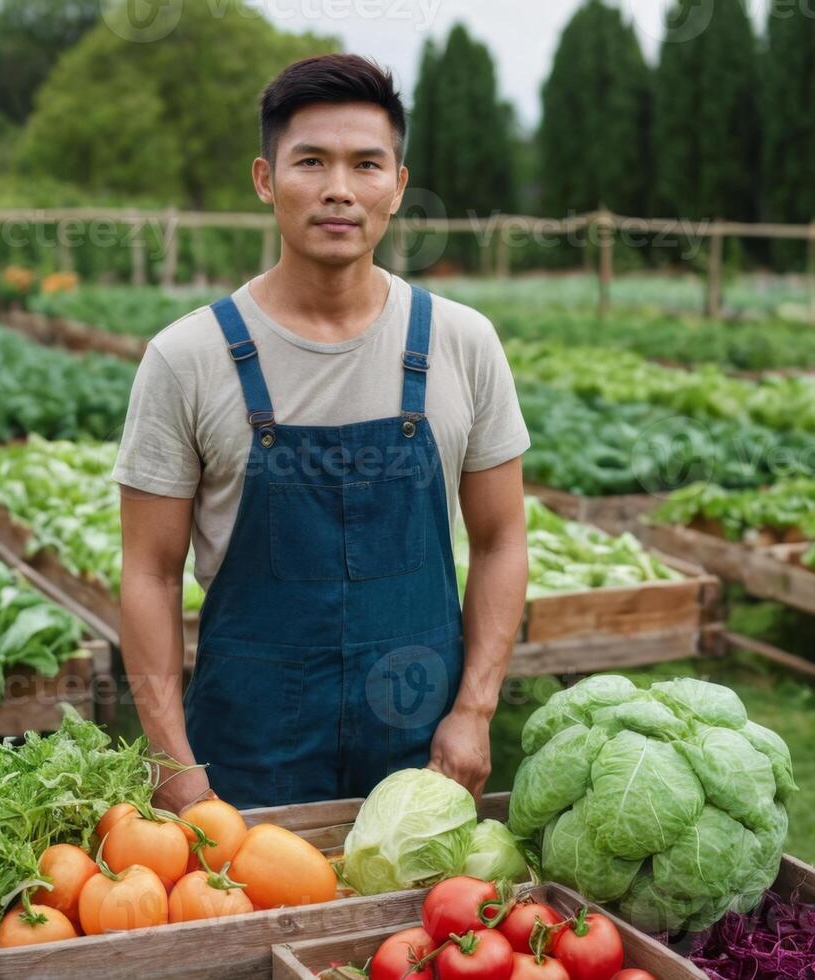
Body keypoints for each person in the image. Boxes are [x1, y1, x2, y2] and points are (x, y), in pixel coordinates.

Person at [114, 53, 529, 814]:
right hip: (244, 752)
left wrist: (473, 713)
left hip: (421, 754)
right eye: (311, 161)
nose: (339, 187)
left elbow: (502, 541)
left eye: (367, 163)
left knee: (419, 934)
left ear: (398, 187)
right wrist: (173, 765)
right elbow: (147, 571)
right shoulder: (187, 357)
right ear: (266, 179)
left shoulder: (462, 344)